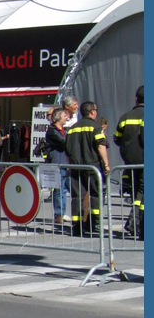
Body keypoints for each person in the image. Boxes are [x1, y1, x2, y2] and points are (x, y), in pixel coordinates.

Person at [64, 100, 109, 236]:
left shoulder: (72, 129)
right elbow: (101, 145)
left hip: (76, 167)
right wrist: (106, 164)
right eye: (95, 110)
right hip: (92, 166)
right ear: (92, 112)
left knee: (77, 197)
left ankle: (77, 227)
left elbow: (67, 149)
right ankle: (95, 224)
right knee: (96, 195)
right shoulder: (96, 127)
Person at [114, 85, 143, 239]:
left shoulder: (125, 117)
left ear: (136, 99)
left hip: (130, 162)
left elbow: (117, 139)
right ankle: (135, 223)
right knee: (142, 195)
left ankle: (134, 223)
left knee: (137, 194)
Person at [44, 107, 70, 225]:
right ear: (58, 117)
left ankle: (63, 212)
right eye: (65, 116)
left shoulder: (63, 130)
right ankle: (59, 213)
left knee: (65, 189)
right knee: (59, 190)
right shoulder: (52, 131)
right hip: (57, 163)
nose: (67, 118)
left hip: (65, 162)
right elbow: (64, 143)